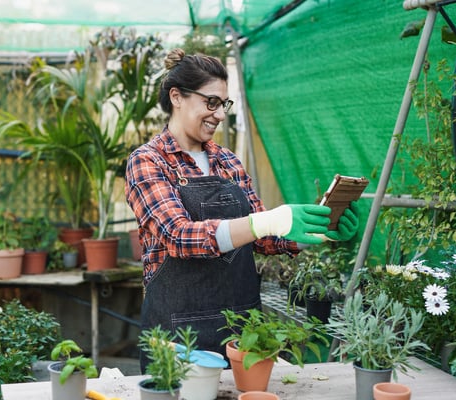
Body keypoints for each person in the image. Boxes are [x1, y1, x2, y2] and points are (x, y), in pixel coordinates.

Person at [124, 48, 359, 371]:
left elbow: (263, 239)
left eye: (224, 104)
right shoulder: (149, 161)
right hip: (178, 336)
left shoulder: (228, 161)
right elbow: (178, 236)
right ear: (177, 97)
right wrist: (265, 221)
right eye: (211, 102)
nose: (220, 114)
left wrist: (318, 229)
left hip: (243, 331)